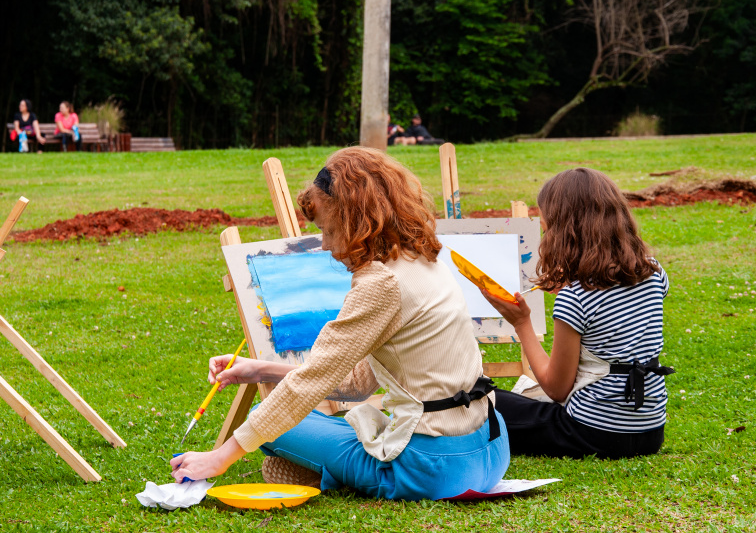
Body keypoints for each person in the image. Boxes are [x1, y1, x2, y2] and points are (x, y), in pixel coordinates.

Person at [170, 147, 509, 501]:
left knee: (269, 422)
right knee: (315, 423)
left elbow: (310, 384)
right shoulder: (421, 258)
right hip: (490, 448)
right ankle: (315, 469)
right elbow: (357, 384)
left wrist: (218, 459)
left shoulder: (380, 283)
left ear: (357, 221)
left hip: (433, 468)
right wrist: (260, 370)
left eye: (329, 231)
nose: (327, 246)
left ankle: (318, 473)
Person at [483, 167, 674, 460]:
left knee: (483, 401)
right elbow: (615, 316)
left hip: (592, 433)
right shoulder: (655, 272)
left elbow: (557, 389)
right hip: (650, 432)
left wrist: (522, 323)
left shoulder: (576, 297)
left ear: (563, 231)